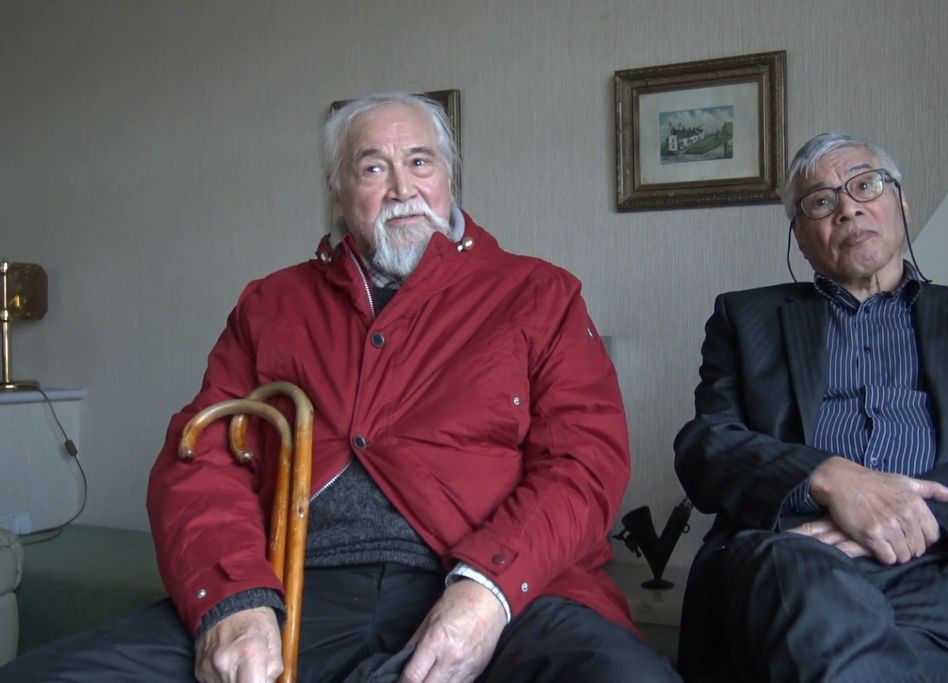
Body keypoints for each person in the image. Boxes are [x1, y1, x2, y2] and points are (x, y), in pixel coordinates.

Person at [0, 92, 679, 683]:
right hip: (300, 586)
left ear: (450, 179)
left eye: (420, 161)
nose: (402, 187)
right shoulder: (272, 303)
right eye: (372, 167)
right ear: (339, 190)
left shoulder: (540, 294)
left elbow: (583, 464)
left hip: (500, 588)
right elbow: (198, 458)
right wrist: (233, 601)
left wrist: (485, 591)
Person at [673, 132, 948, 683]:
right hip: (796, 555)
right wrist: (827, 478)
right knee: (803, 596)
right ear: (800, 235)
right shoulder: (745, 319)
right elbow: (706, 446)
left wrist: (912, 514)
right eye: (821, 201)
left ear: (901, 203)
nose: (848, 208)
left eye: (866, 185)